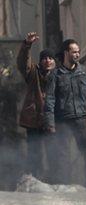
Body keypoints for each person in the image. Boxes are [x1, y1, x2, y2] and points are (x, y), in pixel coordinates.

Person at [44, 39, 86, 189]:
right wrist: (50, 123)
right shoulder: (55, 75)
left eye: (78, 51)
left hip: (80, 119)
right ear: (66, 53)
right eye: (74, 51)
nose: (77, 54)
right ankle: (63, 186)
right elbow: (50, 100)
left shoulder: (83, 72)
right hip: (62, 120)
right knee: (63, 156)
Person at [16, 32, 56, 179]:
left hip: (52, 119)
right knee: (34, 151)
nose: (47, 61)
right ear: (40, 61)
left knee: (54, 152)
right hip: (34, 119)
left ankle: (55, 180)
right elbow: (22, 63)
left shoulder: (58, 76)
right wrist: (27, 45)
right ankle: (33, 180)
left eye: (50, 58)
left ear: (54, 61)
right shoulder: (33, 72)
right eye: (44, 58)